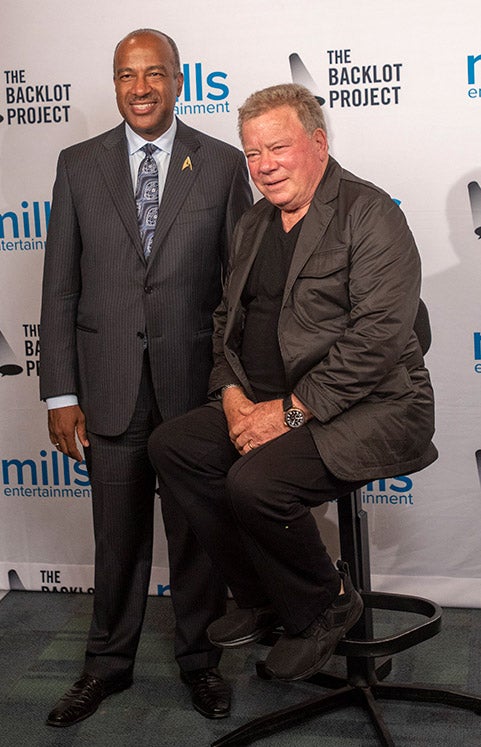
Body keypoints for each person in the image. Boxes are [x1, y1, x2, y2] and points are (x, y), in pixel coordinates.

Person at [147, 83, 438, 685]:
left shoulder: (370, 213)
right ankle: (265, 598)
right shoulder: (254, 223)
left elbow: (378, 341)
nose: (265, 166)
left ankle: (326, 603)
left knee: (255, 482)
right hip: (262, 398)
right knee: (173, 447)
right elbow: (226, 322)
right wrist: (232, 398)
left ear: (319, 143)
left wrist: (288, 413)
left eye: (278, 148)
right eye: (253, 153)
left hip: (370, 405)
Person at [39, 28, 252, 726]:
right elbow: (60, 286)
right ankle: (106, 665)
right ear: (114, 84)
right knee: (116, 536)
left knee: (196, 534)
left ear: (178, 81)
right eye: (127, 75)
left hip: (195, 388)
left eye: (154, 73)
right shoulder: (78, 165)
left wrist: (234, 386)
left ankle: (200, 661)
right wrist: (61, 391)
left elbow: (238, 289)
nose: (140, 88)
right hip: (107, 387)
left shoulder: (221, 164)